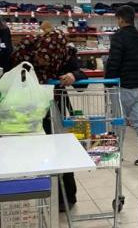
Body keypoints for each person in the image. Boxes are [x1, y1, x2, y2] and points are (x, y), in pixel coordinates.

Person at [12, 28, 86, 210]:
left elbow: (82, 82)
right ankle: (35, 196)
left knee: (62, 150)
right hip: (27, 110)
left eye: (49, 58)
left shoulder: (65, 54)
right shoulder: (25, 52)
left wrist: (73, 76)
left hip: (55, 109)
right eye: (41, 57)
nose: (44, 62)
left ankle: (66, 197)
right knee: (32, 151)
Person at [105, 5, 138, 166]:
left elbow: (114, 61)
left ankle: (115, 151)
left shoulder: (119, 37)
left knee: (118, 120)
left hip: (123, 85)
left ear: (120, 19)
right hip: (137, 84)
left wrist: (108, 82)